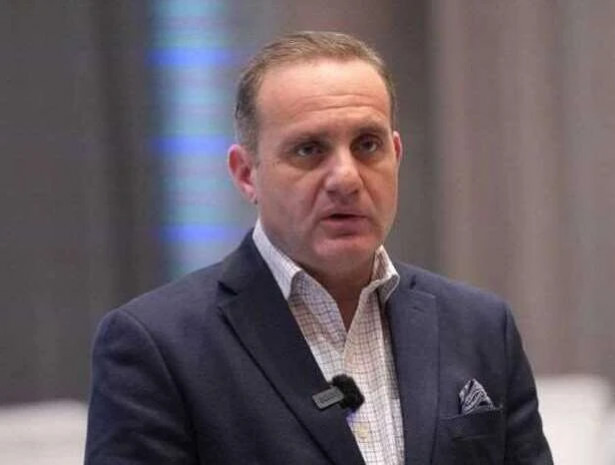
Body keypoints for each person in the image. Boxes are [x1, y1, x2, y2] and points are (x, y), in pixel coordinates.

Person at [85, 31, 553, 465]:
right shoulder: (158, 347)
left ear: (396, 155)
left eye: (367, 145)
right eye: (309, 149)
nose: (346, 178)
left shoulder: (479, 328)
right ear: (247, 174)